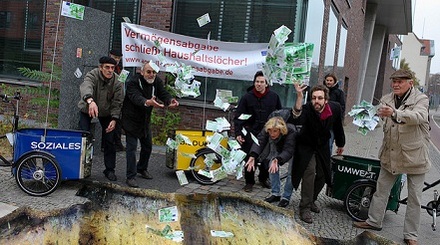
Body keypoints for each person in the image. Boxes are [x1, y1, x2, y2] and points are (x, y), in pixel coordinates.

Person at [353, 69, 431, 245]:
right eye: (394, 81)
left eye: (400, 81)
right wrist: (367, 119)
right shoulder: (387, 99)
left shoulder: (421, 99)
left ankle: (411, 235)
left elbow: (418, 116)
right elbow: (380, 120)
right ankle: (373, 221)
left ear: (410, 83)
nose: (395, 84)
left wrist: (395, 113)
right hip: (391, 154)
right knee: (381, 190)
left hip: (415, 156)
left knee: (415, 199)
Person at [290, 84, 345, 224]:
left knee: (323, 174)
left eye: (320, 98)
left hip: (322, 145)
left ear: (326, 99)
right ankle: (305, 207)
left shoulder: (335, 108)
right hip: (306, 145)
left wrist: (341, 143)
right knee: (309, 172)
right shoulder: (307, 108)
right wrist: (299, 97)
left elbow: (338, 126)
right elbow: (296, 116)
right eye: (314, 98)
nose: (316, 101)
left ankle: (312, 199)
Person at [121, 61, 179, 188]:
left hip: (144, 120)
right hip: (130, 120)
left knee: (147, 146)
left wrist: (170, 100)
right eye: (148, 72)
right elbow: (135, 97)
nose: (151, 74)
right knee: (131, 148)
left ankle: (141, 168)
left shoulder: (156, 81)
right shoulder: (133, 82)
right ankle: (130, 176)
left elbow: (163, 93)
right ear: (142, 72)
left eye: (153, 72)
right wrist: (148, 102)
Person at [234, 71, 282, 192]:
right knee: (250, 157)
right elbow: (239, 116)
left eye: (262, 82)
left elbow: (279, 114)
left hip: (268, 132)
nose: (259, 84)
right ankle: (249, 182)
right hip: (250, 132)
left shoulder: (274, 97)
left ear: (266, 84)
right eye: (257, 82)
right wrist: (238, 133)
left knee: (266, 157)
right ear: (254, 83)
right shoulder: (247, 97)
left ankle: (263, 178)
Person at [78, 56, 124, 181]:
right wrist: (90, 100)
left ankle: (109, 170)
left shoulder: (118, 82)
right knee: (84, 138)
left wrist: (114, 119)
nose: (110, 70)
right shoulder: (92, 74)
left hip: (107, 112)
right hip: (88, 108)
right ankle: (80, 168)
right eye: (107, 67)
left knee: (110, 140)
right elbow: (86, 86)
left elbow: (117, 102)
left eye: (112, 68)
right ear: (100, 67)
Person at [245, 116, 296, 206]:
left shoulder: (291, 131)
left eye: (275, 131)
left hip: (294, 151)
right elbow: (259, 142)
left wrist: (278, 159)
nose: (272, 134)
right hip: (279, 148)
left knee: (291, 174)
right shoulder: (267, 129)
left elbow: (289, 150)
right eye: (270, 131)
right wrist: (253, 156)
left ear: (281, 130)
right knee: (271, 166)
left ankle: (286, 197)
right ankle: (275, 194)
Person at [106, 49, 125, 152]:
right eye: (115, 57)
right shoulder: (107, 68)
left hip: (117, 97)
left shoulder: (121, 69)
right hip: (109, 98)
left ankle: (117, 143)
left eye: (118, 58)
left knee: (117, 121)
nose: (117, 60)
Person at [323, 73, 346, 154]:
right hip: (321, 122)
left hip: (332, 123)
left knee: (329, 144)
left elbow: (342, 107)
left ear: (334, 81)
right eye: (327, 80)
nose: (328, 82)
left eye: (330, 80)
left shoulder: (339, 93)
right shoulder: (321, 91)